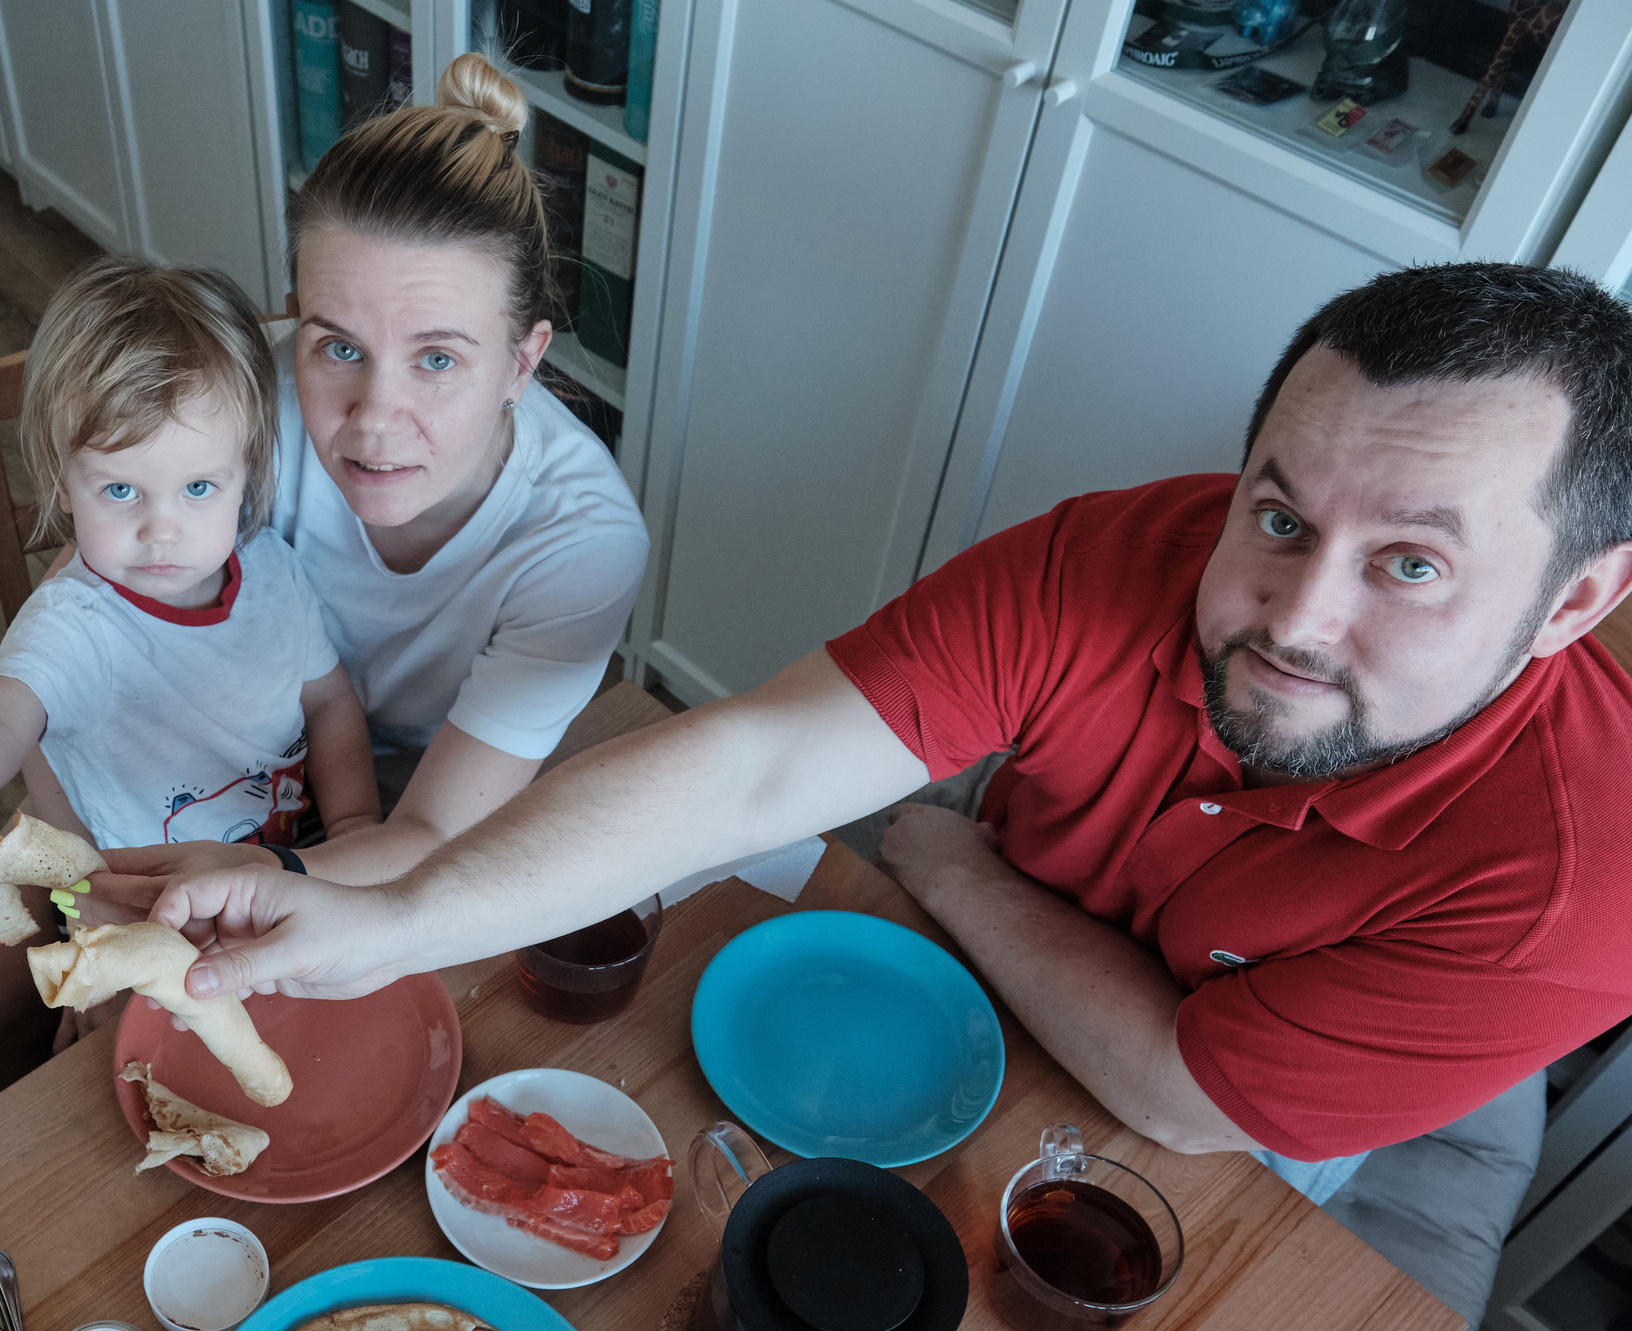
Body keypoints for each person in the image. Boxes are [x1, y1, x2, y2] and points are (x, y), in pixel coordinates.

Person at [156, 261, 1632, 1188]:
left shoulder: (1579, 892)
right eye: (1280, 512)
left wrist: (962, 871)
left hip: (1231, 1097)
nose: (1295, 615)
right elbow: (763, 759)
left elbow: (1189, 1097)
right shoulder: (1122, 552)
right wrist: (394, 920)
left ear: (1575, 604)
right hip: (1003, 950)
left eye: (1414, 564)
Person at [109, 52, 649, 888]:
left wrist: (236, 882)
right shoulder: (247, 410)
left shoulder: (584, 547)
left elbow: (433, 834)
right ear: (295, 323)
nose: (373, 419)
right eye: (340, 347)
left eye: (436, 358)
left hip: (410, 830)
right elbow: (82, 623)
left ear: (521, 363)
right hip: (205, 769)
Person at [0, 255, 377, 860]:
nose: (162, 531)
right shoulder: (72, 623)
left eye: (199, 488)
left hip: (286, 862)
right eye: (121, 491)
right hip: (137, 904)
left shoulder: (273, 570)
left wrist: (355, 827)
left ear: (248, 473)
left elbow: (329, 702)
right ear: (61, 484)